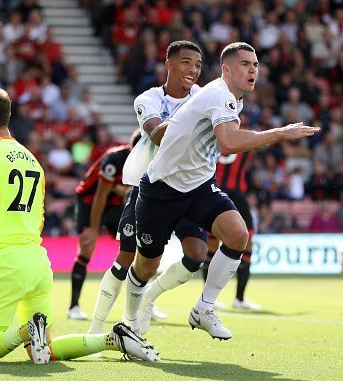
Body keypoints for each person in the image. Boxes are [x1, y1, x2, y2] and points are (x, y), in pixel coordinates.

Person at [0, 85, 158, 364]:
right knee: (46, 349)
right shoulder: (32, 160)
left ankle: (27, 330)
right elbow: (39, 218)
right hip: (38, 263)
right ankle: (112, 339)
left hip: (5, 263)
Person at [125, 42, 318, 340]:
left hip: (199, 186)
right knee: (146, 264)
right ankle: (130, 320)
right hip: (162, 188)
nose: (253, 69)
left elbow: (224, 142)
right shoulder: (218, 94)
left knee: (238, 235)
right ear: (226, 70)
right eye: (245, 64)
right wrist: (280, 133)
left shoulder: (232, 99)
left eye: (255, 64)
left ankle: (203, 308)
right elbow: (228, 143)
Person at [88, 40, 208, 336]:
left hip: (190, 189)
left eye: (197, 64)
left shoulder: (206, 97)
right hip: (150, 189)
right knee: (126, 259)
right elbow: (157, 136)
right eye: (186, 62)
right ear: (169, 64)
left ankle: (149, 298)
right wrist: (196, 114)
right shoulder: (148, 99)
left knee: (196, 255)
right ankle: (95, 328)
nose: (192, 69)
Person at [68, 130, 141, 320]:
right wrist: (93, 229)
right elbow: (100, 196)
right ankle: (73, 307)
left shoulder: (147, 163)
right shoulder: (114, 160)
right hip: (89, 201)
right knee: (87, 247)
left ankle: (139, 304)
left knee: (134, 248)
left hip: (114, 203)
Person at [200, 152, 261, 311]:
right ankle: (239, 299)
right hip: (235, 196)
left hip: (214, 194)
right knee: (246, 245)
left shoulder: (212, 141)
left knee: (211, 248)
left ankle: (208, 299)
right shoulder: (243, 144)